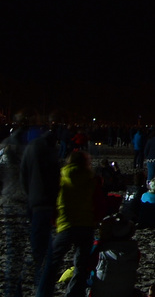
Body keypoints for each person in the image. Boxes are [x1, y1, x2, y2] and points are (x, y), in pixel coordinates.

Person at [50, 150, 99, 297]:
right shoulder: (91, 178)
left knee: (52, 261)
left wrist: (54, 219)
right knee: (82, 265)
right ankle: (73, 294)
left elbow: (52, 198)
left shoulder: (61, 177)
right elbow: (98, 201)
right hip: (86, 225)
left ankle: (45, 290)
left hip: (66, 224)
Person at [20, 127, 59, 297]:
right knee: (44, 253)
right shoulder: (49, 151)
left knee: (38, 246)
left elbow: (24, 174)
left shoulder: (31, 148)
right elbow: (54, 179)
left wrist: (29, 195)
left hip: (33, 202)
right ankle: (41, 288)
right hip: (45, 203)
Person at [2, 124, 29, 297]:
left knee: (13, 250)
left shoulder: (4, 152)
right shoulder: (27, 154)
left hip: (8, 201)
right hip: (22, 203)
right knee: (18, 252)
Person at [88, 216, 140, 297]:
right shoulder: (134, 250)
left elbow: (88, 265)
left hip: (100, 291)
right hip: (125, 291)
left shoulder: (99, 248)